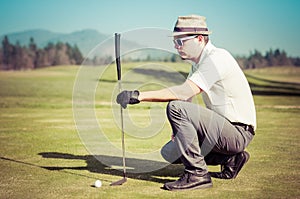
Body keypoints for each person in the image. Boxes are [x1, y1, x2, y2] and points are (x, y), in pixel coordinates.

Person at [116, 15, 256, 191]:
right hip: (220, 131)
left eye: (180, 41)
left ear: (199, 39)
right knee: (170, 153)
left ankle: (197, 174)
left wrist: (138, 95)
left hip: (237, 132)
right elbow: (186, 98)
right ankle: (230, 159)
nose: (176, 46)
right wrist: (178, 131)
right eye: (175, 41)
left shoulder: (216, 58)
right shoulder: (197, 64)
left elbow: (183, 93)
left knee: (175, 107)